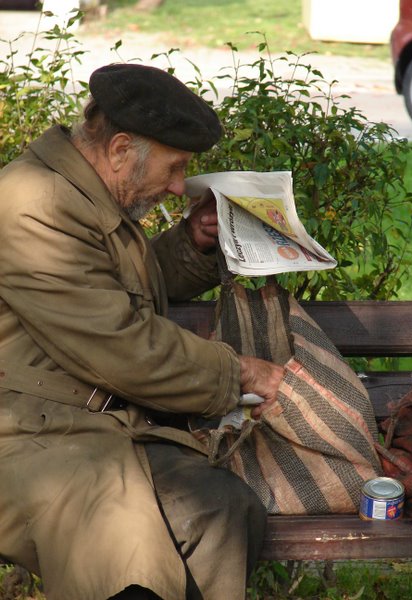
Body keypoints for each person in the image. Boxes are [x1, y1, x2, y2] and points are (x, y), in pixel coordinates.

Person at [0, 63, 284, 600]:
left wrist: (190, 246)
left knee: (223, 507)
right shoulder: (32, 205)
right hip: (29, 439)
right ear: (120, 148)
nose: (180, 187)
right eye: (175, 169)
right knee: (136, 556)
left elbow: (112, 288)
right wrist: (240, 371)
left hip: (92, 427)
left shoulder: (80, 191)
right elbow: (118, 344)